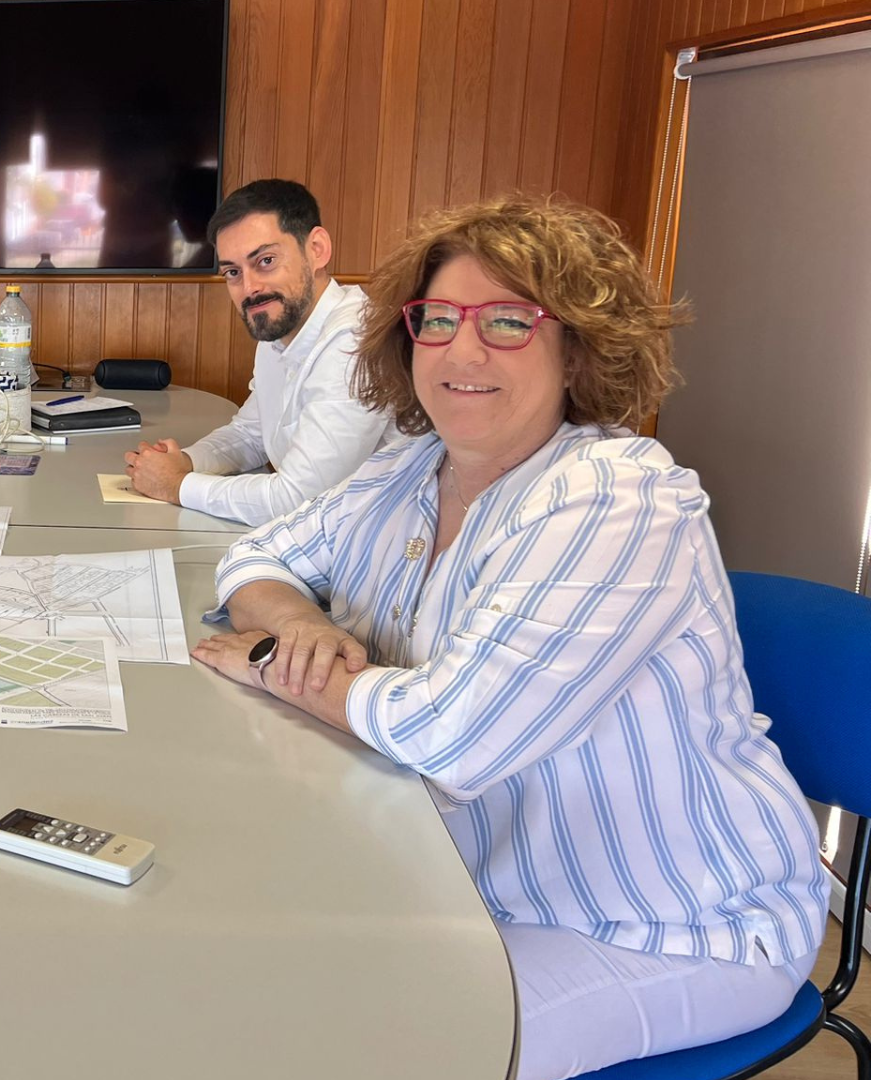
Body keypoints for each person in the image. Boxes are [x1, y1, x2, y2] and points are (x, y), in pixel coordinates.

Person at [191, 196, 827, 1079]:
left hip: (664, 922)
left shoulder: (617, 497)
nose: (462, 351)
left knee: (350, 1048)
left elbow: (454, 734)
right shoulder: (408, 467)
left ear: (579, 347)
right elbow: (256, 558)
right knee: (236, 978)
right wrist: (300, 623)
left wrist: (274, 664)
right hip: (469, 876)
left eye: (507, 321)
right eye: (438, 319)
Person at [124, 179, 392, 523]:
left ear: (317, 249)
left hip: (370, 545)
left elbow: (298, 500)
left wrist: (176, 485)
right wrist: (185, 462)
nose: (249, 288)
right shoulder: (278, 329)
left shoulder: (356, 340)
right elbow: (250, 435)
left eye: (266, 260)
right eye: (233, 272)